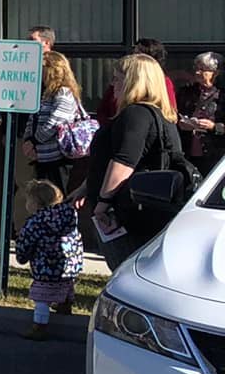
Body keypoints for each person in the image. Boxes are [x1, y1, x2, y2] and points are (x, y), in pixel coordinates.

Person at [83, 53, 193, 270]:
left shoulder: (135, 114)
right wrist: (85, 187)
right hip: (145, 208)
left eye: (117, 78)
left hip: (126, 212)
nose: (112, 84)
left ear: (134, 81)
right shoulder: (161, 115)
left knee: (126, 270)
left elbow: (124, 162)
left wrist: (102, 204)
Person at [13, 178, 81, 341]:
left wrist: (21, 257)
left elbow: (25, 243)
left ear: (36, 203)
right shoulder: (69, 215)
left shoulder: (35, 222)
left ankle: (40, 325)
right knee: (66, 286)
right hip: (69, 265)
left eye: (28, 200)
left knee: (41, 297)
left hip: (46, 267)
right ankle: (65, 306)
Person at [29, 50, 87, 194]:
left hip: (57, 156)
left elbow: (55, 123)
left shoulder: (64, 93)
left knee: (56, 195)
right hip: (42, 155)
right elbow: (34, 117)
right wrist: (28, 139)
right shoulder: (45, 93)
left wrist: (34, 141)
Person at [97, 38, 167, 123]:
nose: (134, 57)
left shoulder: (137, 113)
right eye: (134, 53)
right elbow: (103, 109)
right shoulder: (119, 83)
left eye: (139, 54)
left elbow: (167, 111)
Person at [178, 51, 222, 170]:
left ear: (215, 73)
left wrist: (214, 126)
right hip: (187, 153)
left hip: (214, 154)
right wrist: (181, 123)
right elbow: (174, 114)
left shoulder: (222, 95)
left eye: (202, 69)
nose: (197, 72)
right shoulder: (186, 92)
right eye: (196, 68)